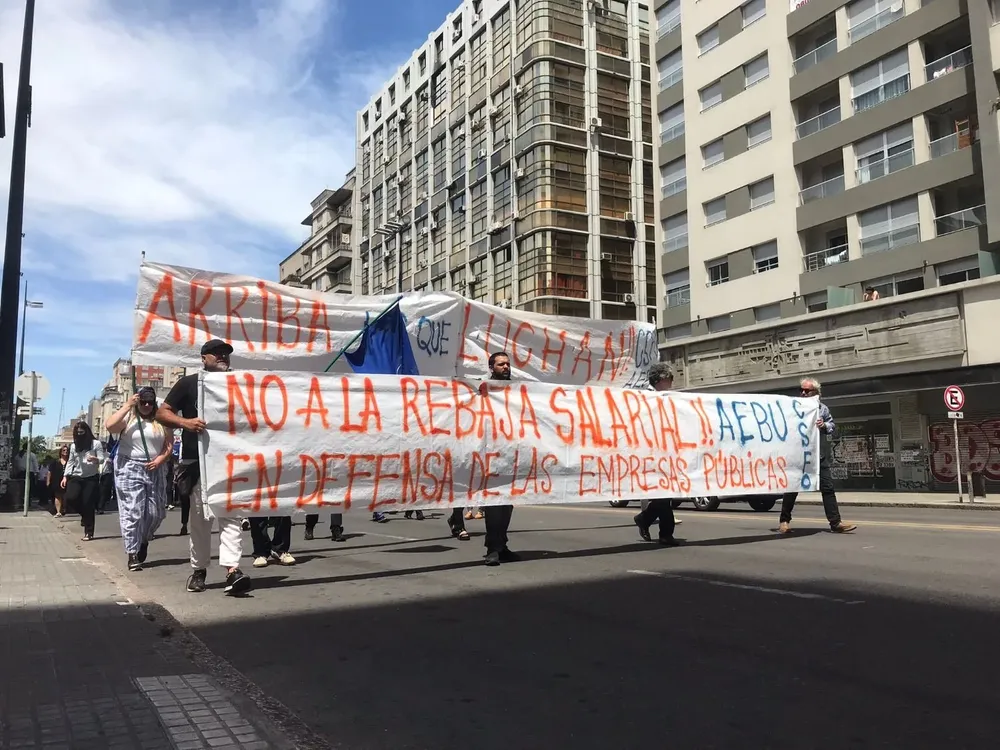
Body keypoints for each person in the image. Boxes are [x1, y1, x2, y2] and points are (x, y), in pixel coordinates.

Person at [157, 339, 252, 596]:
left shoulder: (237, 386)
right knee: (200, 521)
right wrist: (185, 423)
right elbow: (162, 413)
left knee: (230, 517)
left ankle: (233, 570)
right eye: (218, 353)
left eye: (227, 354)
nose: (223, 357)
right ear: (203, 358)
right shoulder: (189, 384)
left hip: (229, 464)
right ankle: (199, 571)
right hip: (198, 464)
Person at [778, 377, 857, 535]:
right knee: (792, 488)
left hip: (817, 456)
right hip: (798, 456)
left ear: (816, 393)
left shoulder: (822, 409)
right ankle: (784, 521)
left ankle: (835, 523)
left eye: (807, 390)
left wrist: (824, 425)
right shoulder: (793, 408)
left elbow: (832, 426)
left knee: (828, 488)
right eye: (801, 390)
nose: (803, 393)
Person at [106, 387, 174, 572]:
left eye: (149, 402)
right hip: (129, 466)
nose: (146, 405)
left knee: (155, 513)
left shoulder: (161, 420)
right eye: (142, 401)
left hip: (155, 468)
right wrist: (128, 405)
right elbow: (110, 426)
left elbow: (169, 443)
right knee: (133, 511)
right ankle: (132, 553)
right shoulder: (129, 418)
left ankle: (143, 538)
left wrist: (160, 459)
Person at [633, 363, 681, 547]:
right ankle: (664, 533)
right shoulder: (646, 399)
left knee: (665, 494)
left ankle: (645, 519)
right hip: (651, 453)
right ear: (661, 380)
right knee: (664, 495)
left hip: (666, 452)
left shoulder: (668, 400)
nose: (671, 383)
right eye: (669, 379)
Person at [483, 352, 519, 566]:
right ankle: (492, 549)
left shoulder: (515, 390)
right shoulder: (484, 389)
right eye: (500, 364)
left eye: (507, 364)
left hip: (511, 454)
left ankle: (501, 545)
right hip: (490, 454)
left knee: (507, 505)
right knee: (494, 503)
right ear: (491, 367)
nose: (505, 367)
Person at [61, 422, 106, 541]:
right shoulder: (74, 446)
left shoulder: (96, 444)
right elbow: (70, 462)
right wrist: (65, 476)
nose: (79, 435)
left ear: (87, 432)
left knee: (88, 503)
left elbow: (102, 459)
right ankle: (84, 516)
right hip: (76, 476)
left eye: (82, 432)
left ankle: (89, 532)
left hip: (91, 477)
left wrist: (95, 459)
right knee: (70, 498)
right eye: (77, 433)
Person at [47, 445, 69, 517]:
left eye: (67, 450)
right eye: (64, 450)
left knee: (66, 496)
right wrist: (48, 481)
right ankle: (58, 511)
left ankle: (64, 508)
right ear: (60, 452)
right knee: (58, 496)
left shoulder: (70, 462)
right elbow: (49, 472)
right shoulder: (55, 462)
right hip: (56, 481)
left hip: (68, 480)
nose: (65, 452)